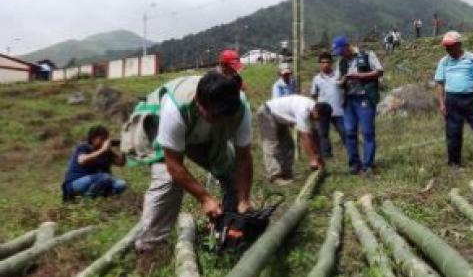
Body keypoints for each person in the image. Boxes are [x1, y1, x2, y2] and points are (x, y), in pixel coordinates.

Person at [124, 71, 254, 252]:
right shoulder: (175, 108)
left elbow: (244, 158)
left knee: (231, 171)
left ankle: (228, 225)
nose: (216, 121)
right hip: (158, 123)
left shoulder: (239, 109)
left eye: (221, 118)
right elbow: (173, 165)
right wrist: (205, 198)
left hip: (198, 133)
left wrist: (244, 199)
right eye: (212, 116)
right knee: (167, 182)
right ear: (197, 101)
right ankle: (149, 246)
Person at [434, 31, 473, 167]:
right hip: (452, 100)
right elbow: (440, 82)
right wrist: (442, 103)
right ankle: (454, 162)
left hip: (470, 98)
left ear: (459, 44)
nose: (448, 49)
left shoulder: (471, 58)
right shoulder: (444, 62)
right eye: (446, 46)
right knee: (453, 132)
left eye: (451, 46)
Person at [332, 35, 383, 175]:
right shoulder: (341, 62)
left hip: (364, 98)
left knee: (367, 132)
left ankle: (368, 165)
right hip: (348, 100)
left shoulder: (367, 55)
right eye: (338, 53)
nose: (340, 54)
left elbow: (379, 71)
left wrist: (359, 76)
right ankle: (354, 164)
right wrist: (342, 81)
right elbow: (337, 79)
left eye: (341, 51)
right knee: (349, 133)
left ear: (347, 47)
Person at [256, 95, 329, 185]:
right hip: (267, 113)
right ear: (315, 111)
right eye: (317, 118)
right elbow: (305, 137)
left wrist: (319, 156)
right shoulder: (303, 110)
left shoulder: (314, 111)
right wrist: (312, 159)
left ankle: (286, 173)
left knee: (288, 145)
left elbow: (314, 135)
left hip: (280, 118)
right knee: (271, 145)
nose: (317, 120)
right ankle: (275, 176)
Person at [62, 125, 127, 200]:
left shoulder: (107, 152)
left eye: (106, 138)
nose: (104, 141)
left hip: (98, 181)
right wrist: (102, 150)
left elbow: (121, 163)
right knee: (104, 177)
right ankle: (88, 200)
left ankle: (101, 197)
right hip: (76, 182)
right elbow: (82, 160)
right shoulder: (83, 147)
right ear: (93, 139)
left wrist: (124, 149)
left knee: (121, 184)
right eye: (102, 138)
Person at [311, 52, 346, 158]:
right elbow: (314, 94)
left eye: (328, 62)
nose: (325, 64)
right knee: (323, 133)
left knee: (345, 132)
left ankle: (351, 151)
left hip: (338, 110)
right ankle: (326, 155)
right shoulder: (316, 79)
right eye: (323, 62)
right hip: (323, 111)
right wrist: (315, 108)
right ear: (320, 64)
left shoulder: (338, 75)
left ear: (331, 63)